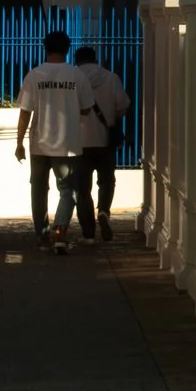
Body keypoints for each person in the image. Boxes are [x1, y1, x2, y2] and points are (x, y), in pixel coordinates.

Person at [14, 33, 86, 251]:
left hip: (38, 143)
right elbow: (87, 107)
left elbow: (25, 112)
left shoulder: (34, 75)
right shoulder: (77, 75)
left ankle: (42, 236)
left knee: (38, 189)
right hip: (67, 144)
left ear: (45, 48)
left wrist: (19, 143)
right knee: (68, 189)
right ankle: (60, 230)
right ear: (68, 49)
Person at [72, 43, 128, 246]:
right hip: (105, 140)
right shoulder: (111, 77)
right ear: (95, 59)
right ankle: (103, 210)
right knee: (106, 181)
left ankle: (88, 232)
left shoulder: (73, 79)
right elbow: (122, 105)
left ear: (77, 60)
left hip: (79, 142)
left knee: (82, 189)